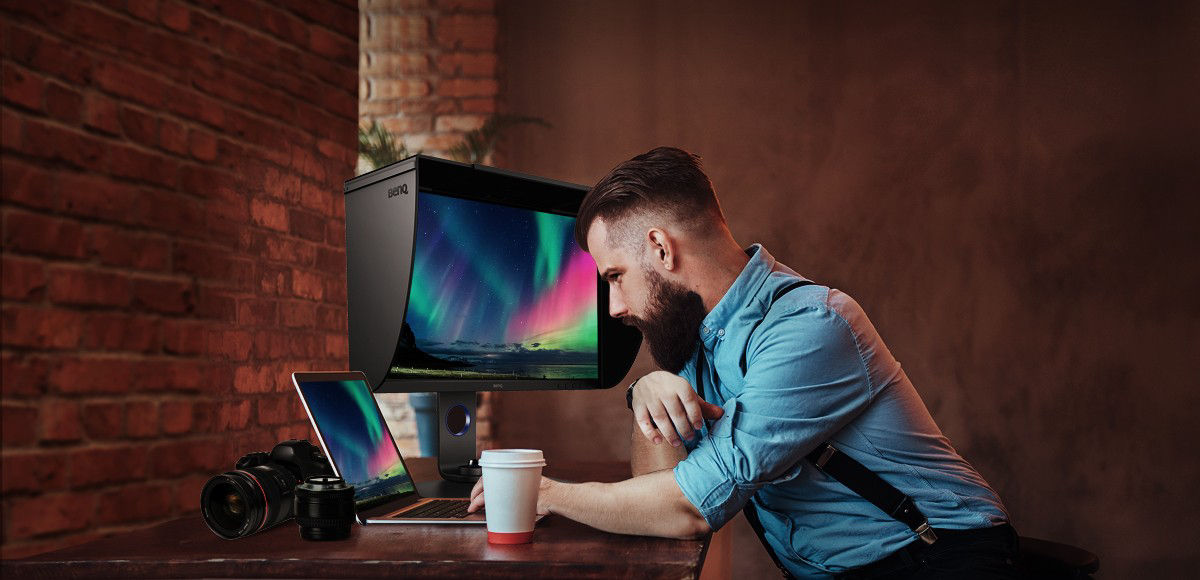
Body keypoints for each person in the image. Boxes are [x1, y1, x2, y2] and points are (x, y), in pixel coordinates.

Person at [468, 147, 1022, 579]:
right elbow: (660, 489)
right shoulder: (693, 335)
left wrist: (544, 493)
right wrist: (649, 392)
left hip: (939, 559)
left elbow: (687, 508)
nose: (613, 307)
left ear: (660, 249)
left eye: (614, 277)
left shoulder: (812, 326)